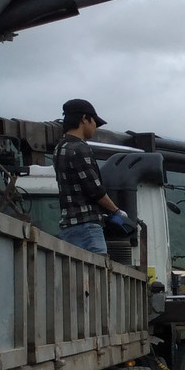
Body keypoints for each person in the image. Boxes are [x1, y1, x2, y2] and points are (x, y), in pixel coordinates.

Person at [53, 98, 127, 255]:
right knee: (96, 276)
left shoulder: (60, 148)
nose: (95, 126)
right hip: (87, 228)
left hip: (68, 227)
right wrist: (117, 211)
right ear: (84, 119)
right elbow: (95, 190)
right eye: (94, 121)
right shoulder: (80, 148)